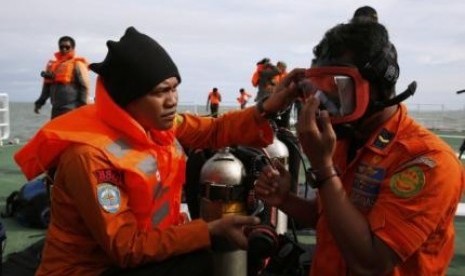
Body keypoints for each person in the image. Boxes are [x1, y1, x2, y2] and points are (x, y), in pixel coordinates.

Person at [14, 26, 302, 276]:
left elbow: (213, 130)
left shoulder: (154, 124)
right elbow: (126, 247)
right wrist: (209, 230)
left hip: (139, 252)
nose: (172, 101)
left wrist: (266, 107)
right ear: (128, 99)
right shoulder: (89, 156)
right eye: (160, 92)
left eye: (174, 89)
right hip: (93, 269)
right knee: (208, 262)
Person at [254, 21, 465, 275]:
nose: (326, 103)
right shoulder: (345, 140)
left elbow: (371, 262)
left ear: (378, 86)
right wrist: (285, 199)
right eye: (320, 89)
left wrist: (323, 169)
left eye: (338, 87)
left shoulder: (427, 161)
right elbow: (330, 218)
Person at [34, 36, 90, 119]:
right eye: (61, 47)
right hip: (56, 108)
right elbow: (46, 88)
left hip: (71, 108)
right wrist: (39, 103)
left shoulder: (77, 64)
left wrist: (83, 107)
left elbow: (84, 87)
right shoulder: (53, 66)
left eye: (67, 47)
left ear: (72, 48)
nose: (64, 49)